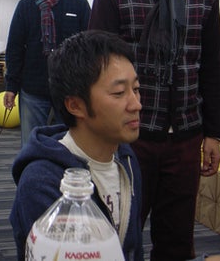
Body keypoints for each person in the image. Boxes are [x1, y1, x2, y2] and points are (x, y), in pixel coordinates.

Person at [88, 0, 220, 261]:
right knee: (119, 234)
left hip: (185, 136)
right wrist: (98, 136)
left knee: (177, 241)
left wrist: (213, 132)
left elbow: (211, 64)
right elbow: (95, 68)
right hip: (130, 138)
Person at [10, 30, 144, 261]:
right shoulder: (43, 183)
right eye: (119, 92)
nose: (136, 104)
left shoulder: (126, 160)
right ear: (75, 106)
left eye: (137, 89)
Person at [3, 0, 90, 145]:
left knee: (70, 144)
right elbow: (15, 48)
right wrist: (11, 86)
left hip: (70, 88)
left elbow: (89, 47)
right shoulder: (25, 7)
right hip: (33, 89)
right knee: (31, 144)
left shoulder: (78, 3)